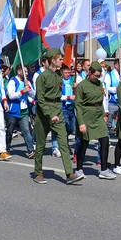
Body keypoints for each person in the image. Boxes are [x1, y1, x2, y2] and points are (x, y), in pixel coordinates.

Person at [33, 49, 83, 185]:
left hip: (58, 110)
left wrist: (74, 88)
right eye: (60, 59)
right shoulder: (42, 77)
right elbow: (41, 99)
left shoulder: (59, 76)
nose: (62, 61)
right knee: (41, 145)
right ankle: (38, 172)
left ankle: (69, 174)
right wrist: (50, 114)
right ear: (53, 61)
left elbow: (59, 94)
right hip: (44, 113)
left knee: (63, 143)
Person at [75, 60, 115, 180]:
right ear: (90, 73)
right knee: (84, 143)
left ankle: (103, 169)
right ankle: (79, 169)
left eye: (100, 75)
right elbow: (78, 105)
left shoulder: (100, 84)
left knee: (105, 140)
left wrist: (104, 113)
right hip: (86, 115)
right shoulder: (82, 86)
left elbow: (101, 100)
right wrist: (81, 122)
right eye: (96, 75)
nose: (98, 77)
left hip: (98, 115)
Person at [5, 64, 36, 159]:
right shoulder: (12, 81)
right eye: (25, 71)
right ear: (19, 72)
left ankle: (31, 150)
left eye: (27, 72)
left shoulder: (27, 82)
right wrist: (22, 91)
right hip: (13, 110)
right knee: (10, 130)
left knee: (26, 130)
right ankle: (7, 147)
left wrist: (29, 89)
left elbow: (33, 95)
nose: (26, 73)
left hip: (24, 110)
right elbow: (11, 96)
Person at [103, 58, 121, 135]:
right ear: (116, 65)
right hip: (113, 101)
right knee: (109, 120)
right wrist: (115, 89)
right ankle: (107, 135)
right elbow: (106, 88)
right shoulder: (109, 75)